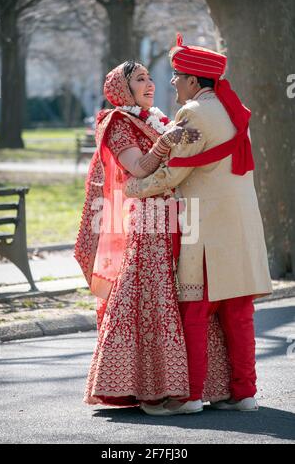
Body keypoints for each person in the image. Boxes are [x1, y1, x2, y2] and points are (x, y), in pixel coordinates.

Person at [124, 35, 273, 415]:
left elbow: (176, 172)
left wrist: (134, 188)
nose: (171, 81)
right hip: (241, 224)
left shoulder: (193, 112)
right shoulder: (233, 108)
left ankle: (188, 396)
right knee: (238, 313)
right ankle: (244, 394)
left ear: (194, 81)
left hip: (206, 226)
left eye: (177, 75)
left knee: (195, 310)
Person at [74, 60, 231, 411]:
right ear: (121, 89)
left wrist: (180, 140)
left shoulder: (154, 119)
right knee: (152, 298)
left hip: (176, 213)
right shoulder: (116, 123)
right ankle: (150, 389)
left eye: (149, 78)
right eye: (139, 79)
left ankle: (199, 385)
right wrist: (167, 143)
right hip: (147, 219)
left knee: (185, 296)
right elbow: (138, 167)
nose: (150, 84)